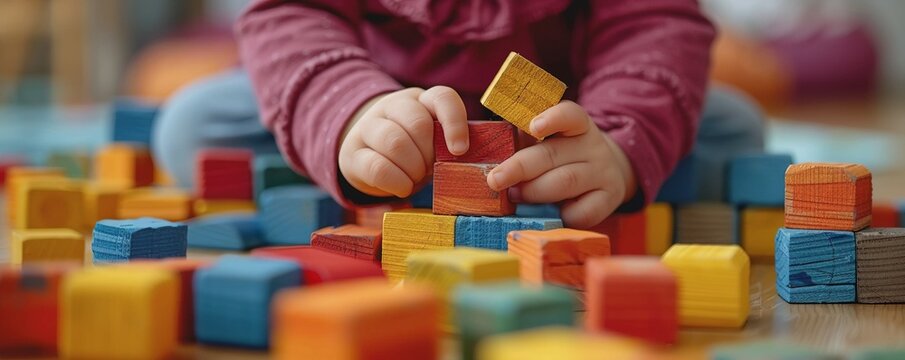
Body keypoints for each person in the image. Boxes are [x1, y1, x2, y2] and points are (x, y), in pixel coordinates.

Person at [153, 0, 764, 229]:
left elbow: (654, 24)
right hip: (380, 99)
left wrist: (617, 145)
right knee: (193, 123)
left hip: (564, 116)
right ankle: (399, 176)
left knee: (735, 125)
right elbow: (292, 16)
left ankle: (568, 181)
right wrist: (351, 113)